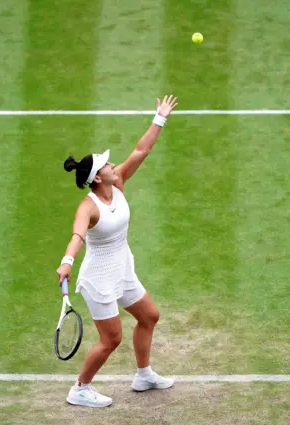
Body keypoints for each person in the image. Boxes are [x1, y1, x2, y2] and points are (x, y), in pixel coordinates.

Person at [56, 95, 179, 408]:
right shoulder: (88, 207)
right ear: (98, 178)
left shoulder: (119, 182)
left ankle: (143, 374)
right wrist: (67, 261)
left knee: (149, 316)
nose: (114, 165)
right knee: (111, 339)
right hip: (99, 279)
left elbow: (142, 149)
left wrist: (160, 118)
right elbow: (77, 236)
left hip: (122, 270)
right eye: (107, 165)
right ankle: (80, 388)